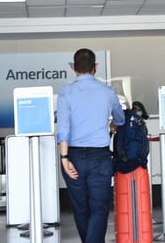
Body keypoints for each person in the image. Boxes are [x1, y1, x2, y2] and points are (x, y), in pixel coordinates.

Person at [57, 48, 125, 243]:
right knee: (99, 208)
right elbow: (120, 118)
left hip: (73, 157)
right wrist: (112, 125)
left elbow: (64, 129)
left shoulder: (65, 94)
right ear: (96, 67)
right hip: (100, 158)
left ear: (73, 68)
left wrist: (64, 159)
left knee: (80, 208)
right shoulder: (108, 92)